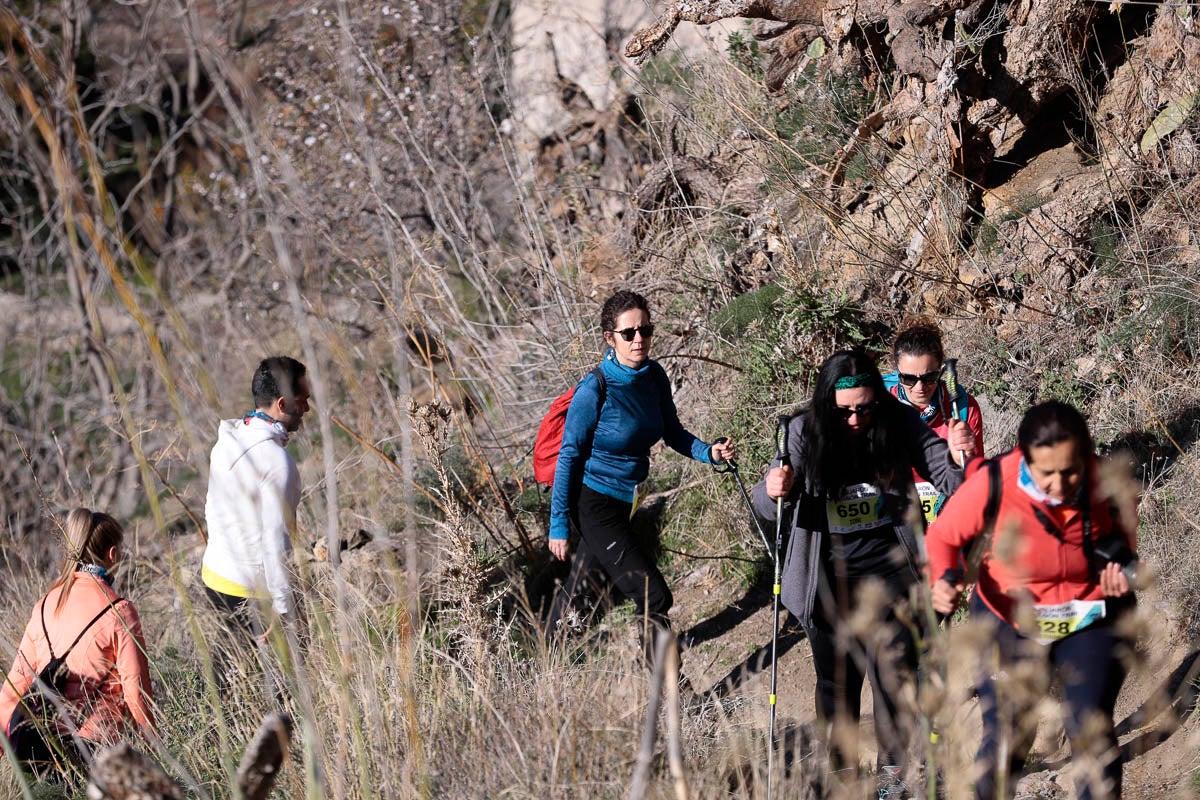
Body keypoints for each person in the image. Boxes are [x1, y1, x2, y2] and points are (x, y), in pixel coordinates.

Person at [751, 349, 974, 792]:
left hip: (894, 570)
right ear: (826, 405)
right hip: (827, 579)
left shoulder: (897, 422)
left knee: (895, 673)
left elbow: (954, 481)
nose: (857, 419)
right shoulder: (802, 431)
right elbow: (765, 505)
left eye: (866, 407)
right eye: (846, 411)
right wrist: (772, 487)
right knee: (837, 682)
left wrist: (958, 455)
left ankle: (894, 772)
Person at [928, 400, 1136, 800]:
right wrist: (946, 578)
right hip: (1009, 618)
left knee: (1091, 731)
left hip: (1085, 615)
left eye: (1070, 471)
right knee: (1007, 739)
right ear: (1025, 460)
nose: (1060, 485)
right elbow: (943, 537)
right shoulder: (995, 483)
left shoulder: (1105, 482)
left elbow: (1124, 546)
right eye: (1047, 474)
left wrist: (1120, 579)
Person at [546, 290, 735, 667]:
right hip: (594, 503)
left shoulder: (653, 376)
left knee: (583, 587)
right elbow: (569, 456)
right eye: (628, 333)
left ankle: (548, 662)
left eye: (645, 331)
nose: (639, 340)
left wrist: (709, 453)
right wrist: (558, 525)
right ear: (609, 337)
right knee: (653, 595)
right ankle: (668, 690)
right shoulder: (595, 389)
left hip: (625, 501)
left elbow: (673, 431)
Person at [0, 509, 154, 776]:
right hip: (96, 748)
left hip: (40, 747)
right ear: (113, 554)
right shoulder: (120, 610)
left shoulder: (45, 604)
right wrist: (154, 747)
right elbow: (135, 690)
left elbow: (18, 680)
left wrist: (3, 741)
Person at [202, 356, 309, 695]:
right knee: (285, 680)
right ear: (282, 403)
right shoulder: (277, 463)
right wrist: (282, 607)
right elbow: (275, 543)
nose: (308, 407)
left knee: (228, 673)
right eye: (303, 398)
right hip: (250, 589)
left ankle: (216, 725)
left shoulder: (231, 438)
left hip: (216, 575)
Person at [884, 316, 984, 522]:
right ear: (897, 372)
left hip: (948, 514)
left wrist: (962, 459)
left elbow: (976, 477)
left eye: (929, 378)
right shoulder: (879, 407)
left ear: (940, 371)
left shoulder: (963, 409)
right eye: (909, 379)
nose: (919, 388)